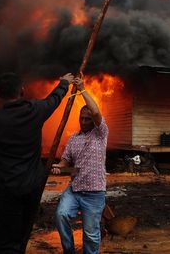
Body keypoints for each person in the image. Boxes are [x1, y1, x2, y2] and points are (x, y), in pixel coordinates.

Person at [0, 72, 74, 253]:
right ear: (22, 90)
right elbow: (54, 99)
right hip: (32, 187)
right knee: (24, 232)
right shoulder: (35, 110)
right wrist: (64, 83)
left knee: (4, 237)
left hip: (7, 189)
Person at [51, 76, 109, 254]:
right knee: (61, 215)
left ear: (93, 121)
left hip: (94, 193)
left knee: (91, 235)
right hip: (74, 190)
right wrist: (59, 167)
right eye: (81, 118)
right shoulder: (73, 139)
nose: (83, 121)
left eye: (87, 119)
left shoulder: (100, 134)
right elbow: (66, 160)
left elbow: (96, 112)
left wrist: (82, 89)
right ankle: (69, 251)